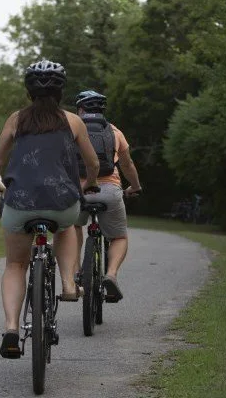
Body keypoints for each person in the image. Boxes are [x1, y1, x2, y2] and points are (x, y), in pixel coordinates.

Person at [0, 60, 100, 359]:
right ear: (61, 92)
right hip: (61, 201)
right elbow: (92, 163)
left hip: (20, 202)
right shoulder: (73, 121)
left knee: (15, 265)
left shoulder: (16, 120)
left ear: (29, 91)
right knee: (67, 226)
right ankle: (68, 283)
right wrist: (89, 183)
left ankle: (12, 329)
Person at [72, 90, 142, 303]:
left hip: (78, 191)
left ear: (80, 110)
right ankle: (110, 274)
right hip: (109, 190)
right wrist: (135, 187)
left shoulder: (71, 130)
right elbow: (127, 165)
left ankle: (76, 272)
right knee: (119, 237)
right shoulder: (114, 132)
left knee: (72, 227)